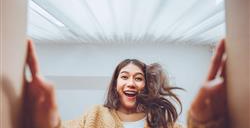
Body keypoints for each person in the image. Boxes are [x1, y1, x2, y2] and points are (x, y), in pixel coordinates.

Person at [22, 39, 228, 128]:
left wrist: (204, 123)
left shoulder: (163, 122)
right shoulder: (94, 115)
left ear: (146, 86)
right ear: (115, 85)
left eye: (138, 78)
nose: (131, 82)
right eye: (124, 76)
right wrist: (46, 122)